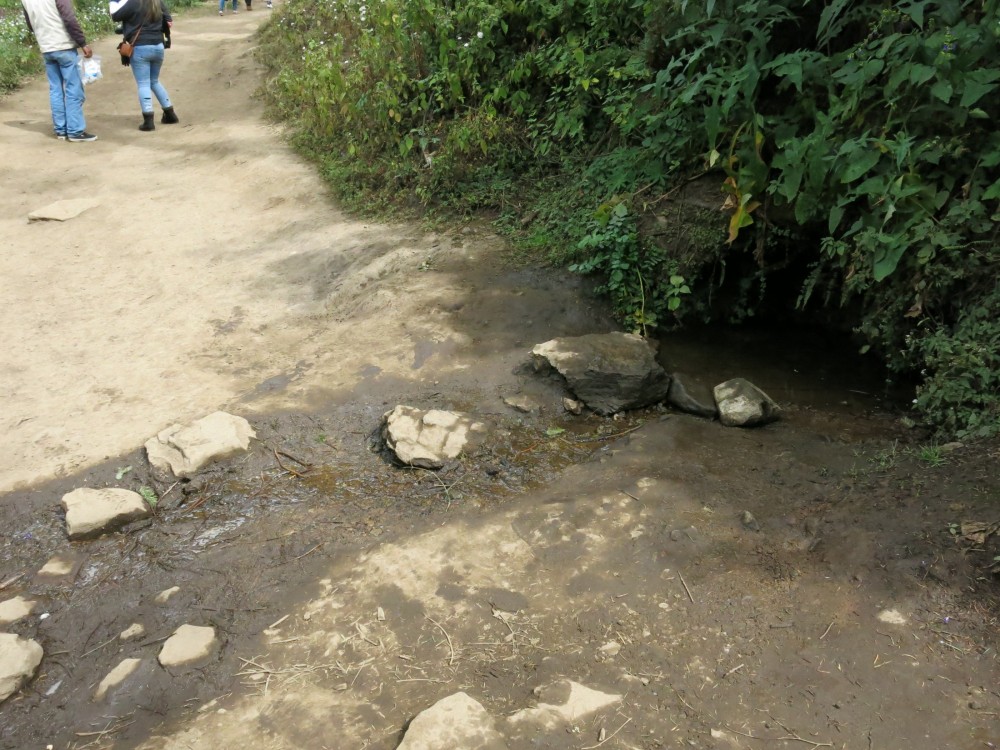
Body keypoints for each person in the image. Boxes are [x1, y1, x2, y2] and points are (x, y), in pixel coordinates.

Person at [20, 0, 98, 141]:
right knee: (73, 89)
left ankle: (61, 130)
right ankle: (75, 131)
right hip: (64, 46)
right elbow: (69, 18)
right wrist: (82, 43)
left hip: (46, 48)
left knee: (55, 90)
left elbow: (30, 24)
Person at [110, 0, 178, 131]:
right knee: (154, 81)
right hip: (158, 46)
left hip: (140, 47)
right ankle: (170, 113)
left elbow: (115, 16)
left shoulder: (133, 2)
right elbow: (168, 21)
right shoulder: (157, 2)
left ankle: (148, 120)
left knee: (143, 83)